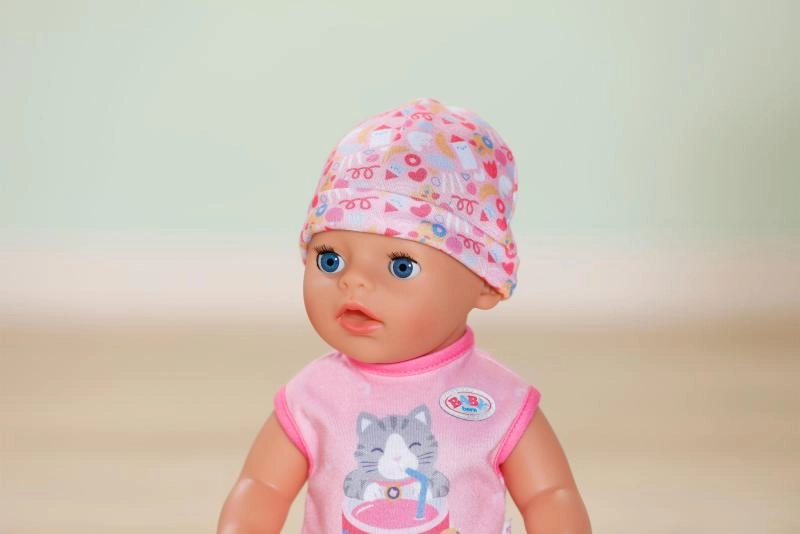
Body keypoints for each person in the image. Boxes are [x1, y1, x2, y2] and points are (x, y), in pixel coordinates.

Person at [217, 98, 590, 533]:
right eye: (331, 260)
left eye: (400, 266)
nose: (354, 282)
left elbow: (550, 495)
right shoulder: (314, 396)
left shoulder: (495, 399)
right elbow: (262, 487)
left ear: (486, 282)